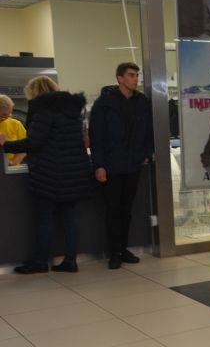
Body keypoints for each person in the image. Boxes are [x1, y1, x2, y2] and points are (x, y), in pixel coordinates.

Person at [0, 77, 93, 274]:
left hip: (49, 172)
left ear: (35, 92)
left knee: (44, 218)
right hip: (73, 172)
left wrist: (5, 145)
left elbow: (34, 142)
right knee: (69, 218)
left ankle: (41, 261)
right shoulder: (72, 110)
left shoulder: (43, 110)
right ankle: (70, 261)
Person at [89, 62, 154, 269]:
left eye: (137, 75)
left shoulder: (141, 102)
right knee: (113, 209)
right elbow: (96, 137)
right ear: (120, 78)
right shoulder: (104, 103)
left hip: (133, 164)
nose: (135, 79)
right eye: (131, 75)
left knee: (126, 209)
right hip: (111, 165)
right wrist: (99, 165)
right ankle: (115, 252)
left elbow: (149, 131)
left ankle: (123, 248)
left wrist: (147, 154)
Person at [0, 94, 26, 166]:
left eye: (9, 114)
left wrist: (12, 163)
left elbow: (24, 149)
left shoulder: (16, 124)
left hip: (11, 168)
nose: (7, 117)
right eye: (4, 115)